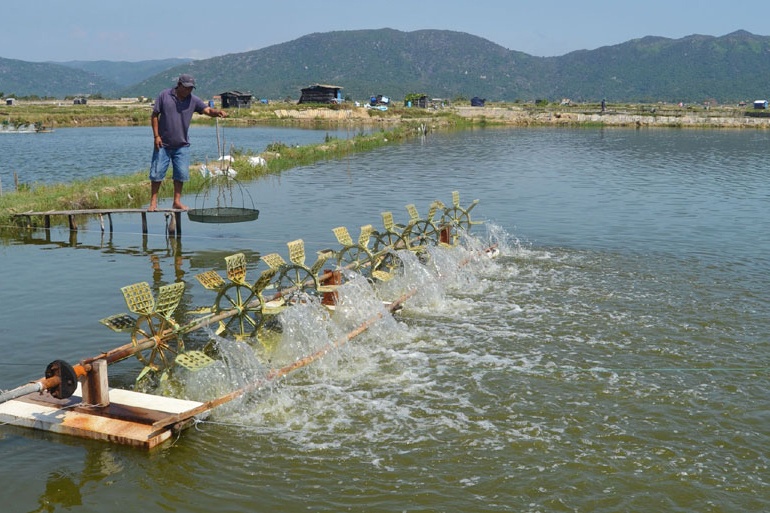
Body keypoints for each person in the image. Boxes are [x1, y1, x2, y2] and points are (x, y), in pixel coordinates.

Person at [148, 74, 227, 211]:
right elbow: (155, 115)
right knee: (157, 173)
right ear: (179, 85)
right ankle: (153, 203)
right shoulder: (164, 95)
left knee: (181, 174)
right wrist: (156, 136)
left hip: (182, 145)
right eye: (186, 88)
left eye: (191, 88)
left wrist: (217, 112)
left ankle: (176, 202)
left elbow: (207, 110)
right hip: (162, 144)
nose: (188, 91)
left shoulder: (193, 100)